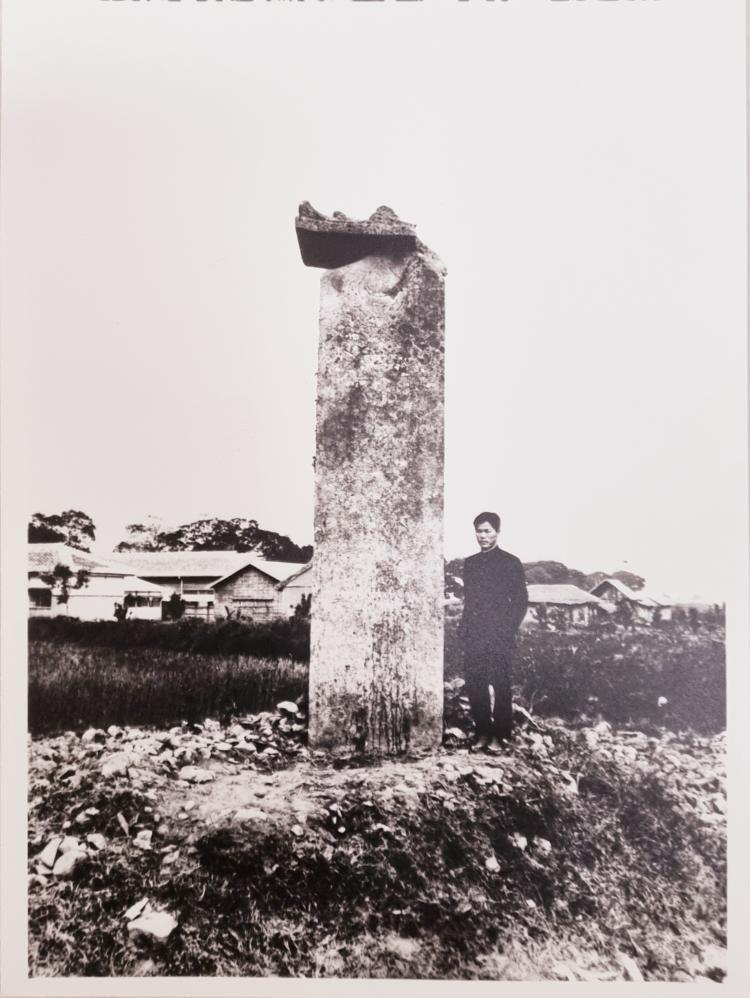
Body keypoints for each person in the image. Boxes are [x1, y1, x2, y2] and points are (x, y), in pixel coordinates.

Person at [459, 512, 528, 753]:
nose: (482, 536)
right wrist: (464, 629)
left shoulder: (511, 562)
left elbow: (520, 601)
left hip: (500, 634)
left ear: (497, 532)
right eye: (479, 531)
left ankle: (500, 735)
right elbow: (470, 601)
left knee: (500, 683)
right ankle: (482, 733)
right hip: (475, 633)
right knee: (475, 683)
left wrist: (508, 630)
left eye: (487, 531)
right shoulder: (470, 564)